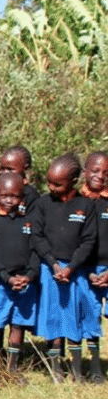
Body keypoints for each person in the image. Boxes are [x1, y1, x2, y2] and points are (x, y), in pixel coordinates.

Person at [31, 154, 98, 382]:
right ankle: (55, 370)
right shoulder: (42, 204)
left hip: (74, 272)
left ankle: (77, 371)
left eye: (57, 184)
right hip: (50, 270)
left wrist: (72, 267)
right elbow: (37, 236)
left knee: (74, 319)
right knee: (52, 321)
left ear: (75, 180)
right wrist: (53, 263)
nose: (51, 187)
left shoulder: (85, 206)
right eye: (49, 182)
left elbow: (89, 240)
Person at [0, 171, 40, 380]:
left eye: (15, 196)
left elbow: (36, 251)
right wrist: (6, 277)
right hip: (0, 283)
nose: (10, 200)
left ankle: (12, 366)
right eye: (5, 195)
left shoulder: (29, 220)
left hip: (25, 282)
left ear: (23, 197)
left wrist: (30, 275)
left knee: (18, 324)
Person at [84, 151, 108, 383]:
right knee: (91, 319)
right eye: (95, 170)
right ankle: (94, 366)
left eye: (106, 173)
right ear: (84, 172)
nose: (100, 176)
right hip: (85, 271)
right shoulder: (77, 201)